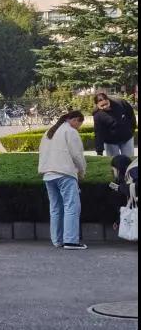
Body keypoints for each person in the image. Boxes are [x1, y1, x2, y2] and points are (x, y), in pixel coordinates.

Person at [38, 111, 88, 251]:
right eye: (79, 124)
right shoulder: (70, 131)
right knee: (72, 206)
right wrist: (82, 171)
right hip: (65, 172)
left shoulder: (49, 132)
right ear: (75, 120)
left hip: (48, 174)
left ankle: (57, 240)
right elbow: (77, 155)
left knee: (55, 208)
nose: (78, 127)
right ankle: (71, 241)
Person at [94, 93, 137, 158]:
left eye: (106, 104)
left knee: (129, 160)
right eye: (102, 106)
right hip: (111, 142)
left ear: (108, 100)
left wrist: (132, 130)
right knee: (114, 161)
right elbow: (98, 133)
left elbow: (131, 115)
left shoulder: (121, 103)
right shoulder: (98, 115)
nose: (105, 107)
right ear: (97, 105)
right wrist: (99, 151)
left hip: (127, 138)